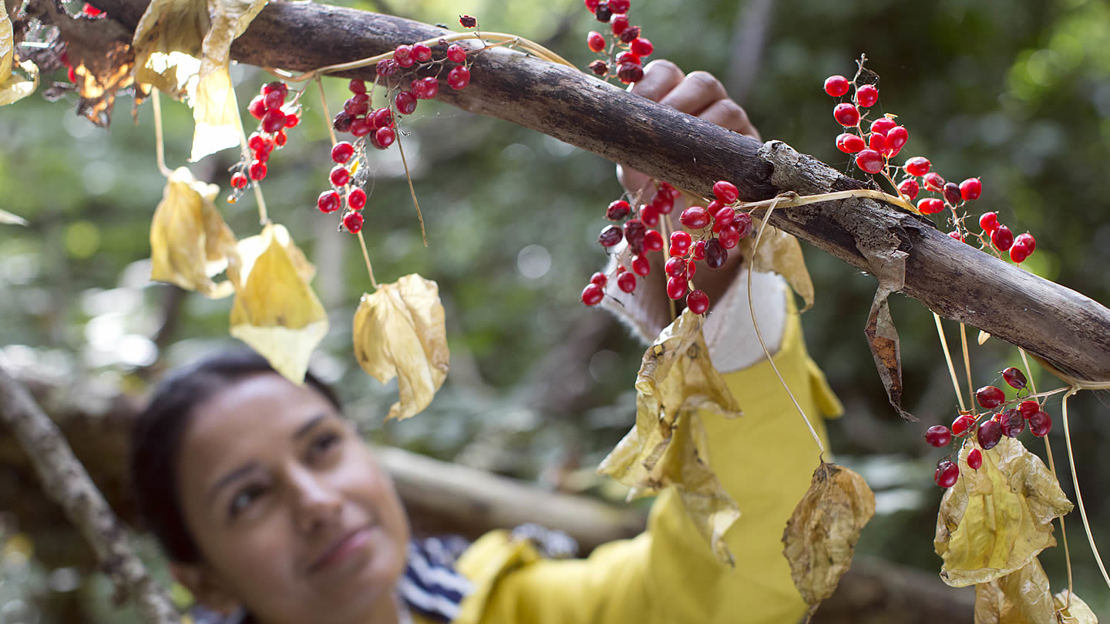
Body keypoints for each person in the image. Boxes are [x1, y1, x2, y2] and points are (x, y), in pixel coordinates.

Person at [131, 61, 842, 624]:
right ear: (203, 582)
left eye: (321, 446)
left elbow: (732, 587)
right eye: (247, 498)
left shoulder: (507, 608)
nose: (315, 501)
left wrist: (711, 290)